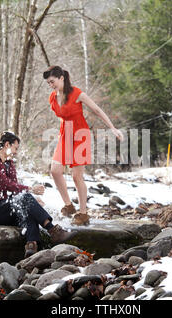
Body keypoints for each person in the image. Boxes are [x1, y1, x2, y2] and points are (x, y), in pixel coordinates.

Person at [43, 66, 124, 226]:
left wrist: (112, 128)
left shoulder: (77, 93)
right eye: (48, 83)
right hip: (65, 135)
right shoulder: (53, 97)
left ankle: (83, 213)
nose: (50, 85)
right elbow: (63, 115)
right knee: (55, 170)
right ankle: (68, 205)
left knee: (76, 176)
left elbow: (96, 110)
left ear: (61, 78)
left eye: (52, 81)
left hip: (81, 135)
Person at [0, 131, 75, 258]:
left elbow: (14, 189)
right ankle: (52, 230)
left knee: (28, 207)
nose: (16, 152)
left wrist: (32, 201)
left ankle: (31, 246)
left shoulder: (9, 163)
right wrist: (30, 190)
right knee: (26, 199)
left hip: (7, 208)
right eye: (15, 148)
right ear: (7, 144)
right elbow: (4, 185)